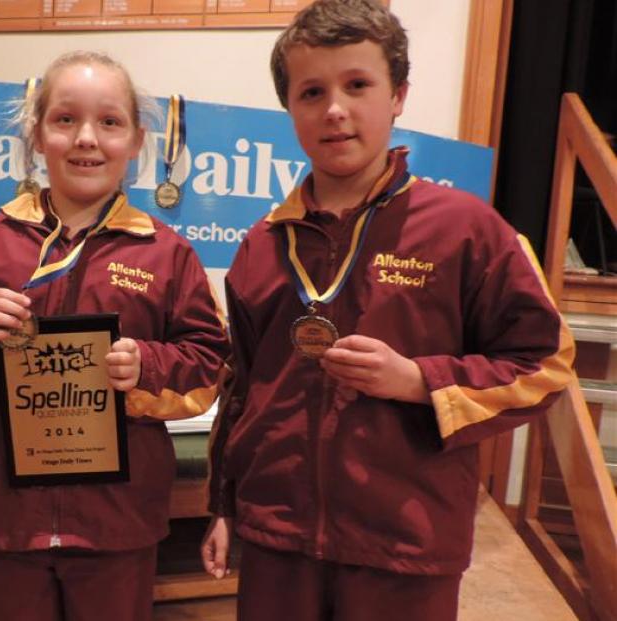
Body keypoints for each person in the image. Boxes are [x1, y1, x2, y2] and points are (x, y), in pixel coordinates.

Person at [200, 1, 575, 619]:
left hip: (406, 542)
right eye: (311, 92)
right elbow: (237, 386)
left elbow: (548, 364)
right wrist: (223, 504)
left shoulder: (466, 231)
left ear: (398, 94)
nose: (335, 109)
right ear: (290, 109)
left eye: (357, 85)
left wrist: (420, 381)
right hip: (278, 540)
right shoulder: (262, 246)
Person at [0, 51, 229, 621]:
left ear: (136, 140)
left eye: (109, 122)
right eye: (65, 120)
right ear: (37, 135)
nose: (87, 138)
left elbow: (210, 364)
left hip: (117, 521)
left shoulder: (166, 254)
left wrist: (147, 369)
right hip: (6, 517)